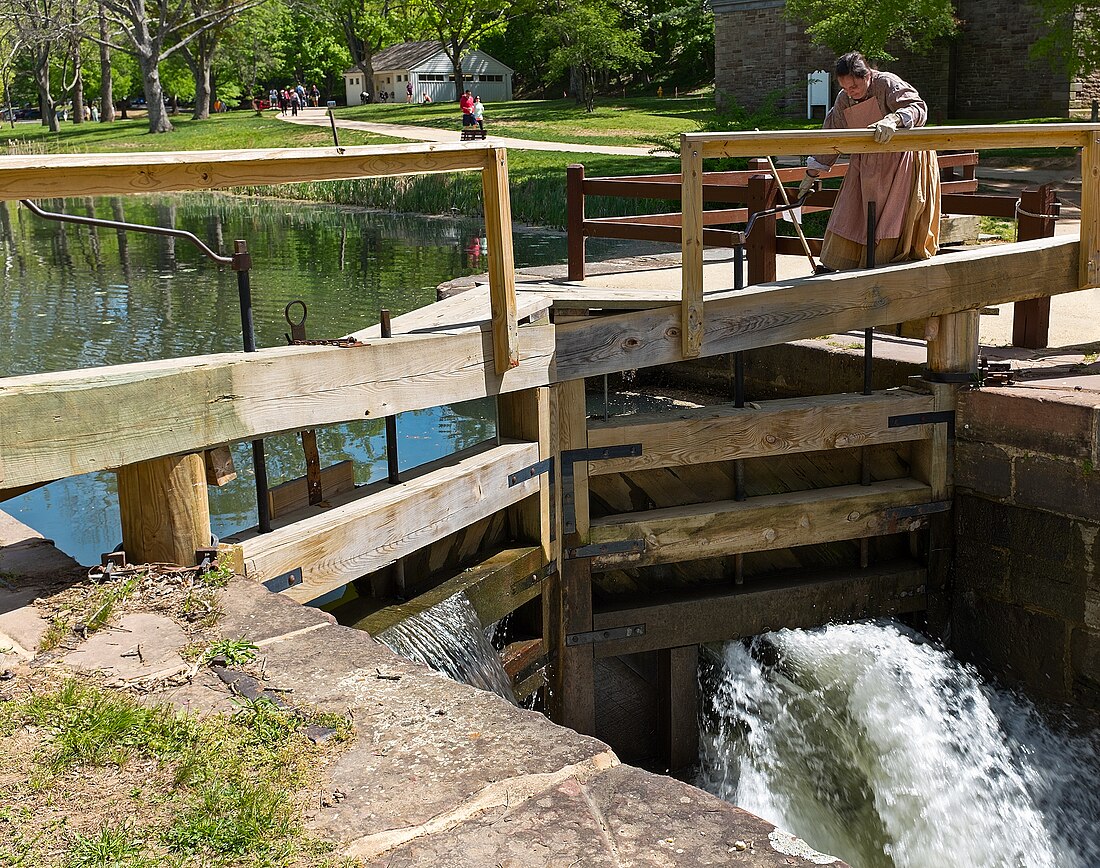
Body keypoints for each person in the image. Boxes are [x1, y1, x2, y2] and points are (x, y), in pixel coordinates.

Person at [797, 51, 939, 272]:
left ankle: (886, 269)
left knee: (891, 218)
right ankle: (841, 265)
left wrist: (894, 119)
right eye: (845, 87)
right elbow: (832, 136)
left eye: (854, 86)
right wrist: (811, 173)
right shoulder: (844, 99)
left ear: (867, 76)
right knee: (851, 212)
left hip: (900, 164)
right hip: (865, 165)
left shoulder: (887, 83)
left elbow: (918, 107)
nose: (850, 92)